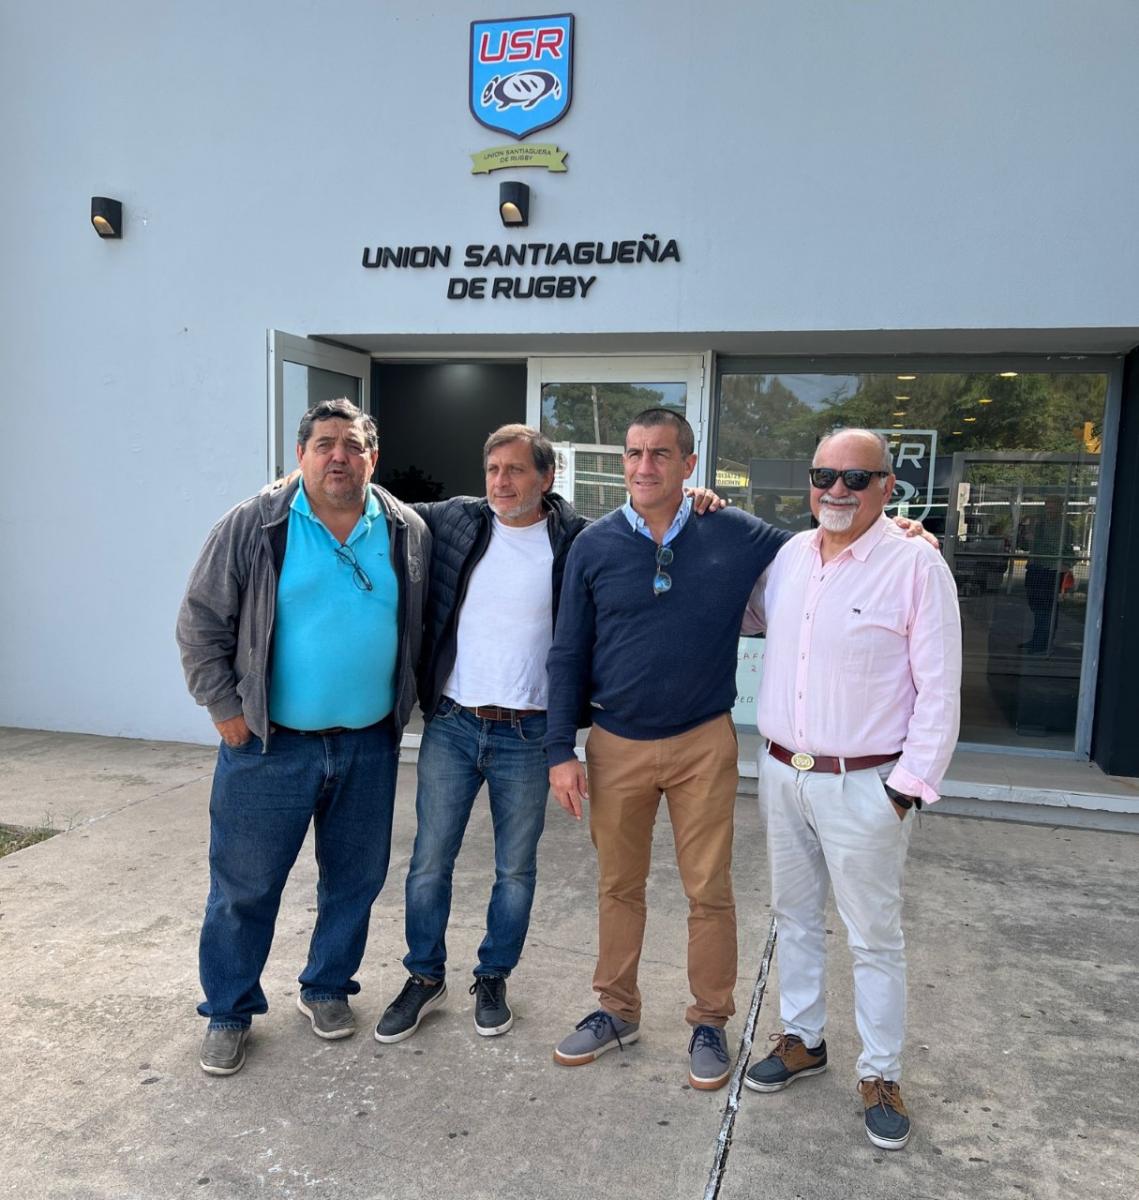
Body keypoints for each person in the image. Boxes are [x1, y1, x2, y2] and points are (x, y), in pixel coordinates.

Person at [375, 424, 723, 1045]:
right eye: (492, 470)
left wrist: (701, 504)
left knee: (515, 868)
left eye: (514, 470)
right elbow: (382, 507)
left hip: (527, 734)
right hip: (454, 724)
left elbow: (652, 530)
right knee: (429, 861)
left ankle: (492, 976)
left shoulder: (578, 539)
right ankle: (425, 977)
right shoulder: (456, 521)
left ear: (546, 478)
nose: (500, 482)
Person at [176, 398, 430, 1076]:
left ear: (371, 457)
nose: (338, 455)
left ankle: (326, 987)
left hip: (369, 743)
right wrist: (224, 706)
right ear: (302, 454)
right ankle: (228, 1011)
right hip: (268, 745)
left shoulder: (405, 528)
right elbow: (200, 621)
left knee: (355, 879)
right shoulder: (255, 523)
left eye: (351, 444)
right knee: (245, 885)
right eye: (324, 443)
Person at [545, 408, 791, 1091]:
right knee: (617, 886)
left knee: (708, 889)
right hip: (614, 743)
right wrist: (558, 750)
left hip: (700, 743)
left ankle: (709, 1018)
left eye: (659, 454)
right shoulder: (592, 546)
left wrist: (900, 536)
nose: (642, 467)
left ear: (689, 464)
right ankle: (615, 1010)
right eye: (632, 454)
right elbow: (566, 652)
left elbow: (822, 554)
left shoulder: (733, 534)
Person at [740, 428, 961, 1152]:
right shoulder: (787, 559)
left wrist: (904, 790)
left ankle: (880, 1073)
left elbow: (939, 690)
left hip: (865, 784)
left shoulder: (914, 567)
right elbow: (735, 612)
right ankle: (803, 1038)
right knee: (793, 917)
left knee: (873, 937)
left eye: (855, 479)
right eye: (823, 475)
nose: (836, 490)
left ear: (886, 489)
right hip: (782, 773)